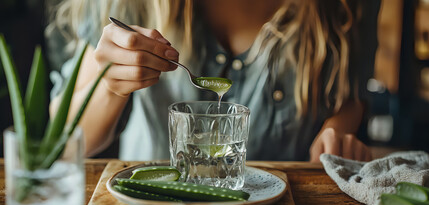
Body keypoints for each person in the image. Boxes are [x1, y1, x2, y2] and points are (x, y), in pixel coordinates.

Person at [48, 0, 380, 162]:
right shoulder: (134, 3)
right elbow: (61, 145)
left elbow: (350, 94)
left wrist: (338, 132)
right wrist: (109, 86)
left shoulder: (344, 7)